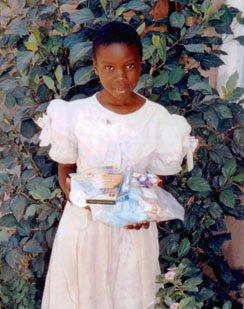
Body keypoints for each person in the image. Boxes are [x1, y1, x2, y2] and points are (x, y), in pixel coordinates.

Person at [37, 21, 197, 309]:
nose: (120, 76)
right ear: (95, 67)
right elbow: (66, 175)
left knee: (130, 295)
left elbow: (156, 180)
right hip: (86, 229)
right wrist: (101, 205)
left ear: (141, 65)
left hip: (133, 233)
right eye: (109, 67)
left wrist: (142, 208)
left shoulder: (157, 118)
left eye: (130, 66)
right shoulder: (76, 114)